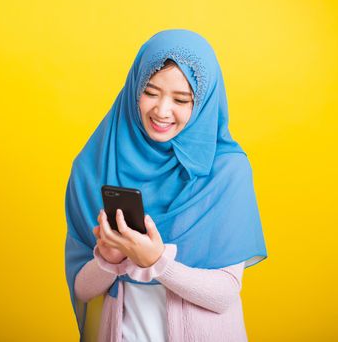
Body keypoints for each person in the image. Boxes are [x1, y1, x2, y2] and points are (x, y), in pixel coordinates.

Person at [64, 29, 268, 342]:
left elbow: (224, 293)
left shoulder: (228, 171)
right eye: (150, 92)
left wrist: (157, 262)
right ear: (135, 87)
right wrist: (110, 260)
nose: (161, 110)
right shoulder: (95, 165)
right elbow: (82, 288)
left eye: (181, 99)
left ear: (202, 104)